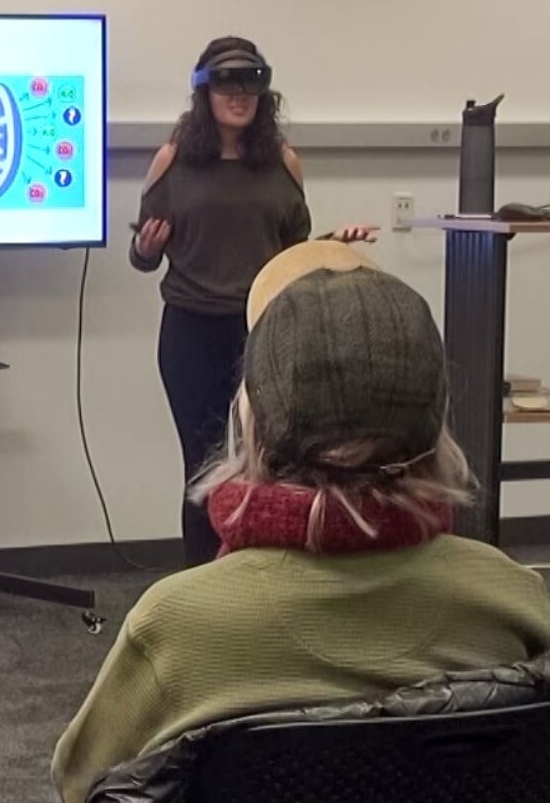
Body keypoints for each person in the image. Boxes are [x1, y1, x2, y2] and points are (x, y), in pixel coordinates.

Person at [54, 240, 550, 803]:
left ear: (253, 422)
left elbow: (82, 787)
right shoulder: (512, 599)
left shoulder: (175, 626)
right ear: (437, 424)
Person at [130, 36, 378, 566]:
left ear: (265, 92)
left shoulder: (283, 163)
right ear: (205, 92)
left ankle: (259, 574)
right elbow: (144, 254)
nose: (239, 95)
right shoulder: (173, 160)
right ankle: (203, 581)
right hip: (191, 333)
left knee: (267, 462)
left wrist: (334, 243)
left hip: (265, 331)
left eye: (251, 83)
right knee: (203, 467)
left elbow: (293, 256)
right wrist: (144, 249)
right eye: (226, 82)